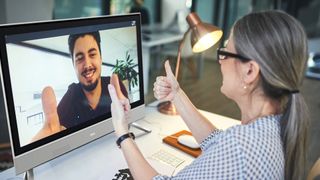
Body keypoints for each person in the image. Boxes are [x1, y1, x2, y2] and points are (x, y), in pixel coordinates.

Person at [108, 10, 309, 180]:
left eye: (226, 53)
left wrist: (123, 134)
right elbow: (217, 142)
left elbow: (230, 149)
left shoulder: (241, 147)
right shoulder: (273, 125)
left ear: (250, 72)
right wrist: (176, 94)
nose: (220, 60)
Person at [32, 31, 128, 141]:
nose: (87, 64)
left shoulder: (115, 87)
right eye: (79, 58)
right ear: (73, 65)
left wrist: (127, 117)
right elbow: (55, 129)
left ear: (100, 58)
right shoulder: (71, 96)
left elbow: (127, 123)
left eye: (92, 55)